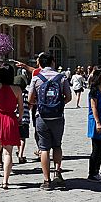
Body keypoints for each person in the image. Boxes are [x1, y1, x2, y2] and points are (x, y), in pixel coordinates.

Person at [28, 53, 72, 190]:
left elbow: (30, 99)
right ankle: (58, 173)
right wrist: (59, 105)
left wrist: (41, 104)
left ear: (40, 63)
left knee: (44, 148)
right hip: (58, 116)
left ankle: (46, 180)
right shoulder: (62, 77)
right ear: (53, 62)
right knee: (57, 145)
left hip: (41, 116)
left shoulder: (36, 78)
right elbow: (69, 97)